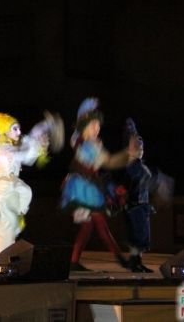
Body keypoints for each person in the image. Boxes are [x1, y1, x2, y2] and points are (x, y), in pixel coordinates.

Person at [0, 108, 63, 255]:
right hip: (1, 191)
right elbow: (23, 155)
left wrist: (46, 127)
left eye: (19, 128)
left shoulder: (15, 145)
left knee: (11, 228)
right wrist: (37, 146)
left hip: (11, 188)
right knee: (7, 227)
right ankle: (2, 262)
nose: (19, 132)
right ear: (6, 131)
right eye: (15, 129)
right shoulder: (4, 147)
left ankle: (5, 261)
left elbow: (30, 149)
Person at [61, 98, 129, 271]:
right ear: (84, 127)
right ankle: (120, 259)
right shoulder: (79, 141)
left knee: (89, 227)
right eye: (92, 125)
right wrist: (86, 108)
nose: (96, 128)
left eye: (98, 126)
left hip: (90, 189)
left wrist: (128, 155)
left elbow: (110, 161)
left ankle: (74, 261)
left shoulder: (97, 145)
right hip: (82, 190)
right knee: (99, 224)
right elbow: (105, 162)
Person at [118, 118, 172, 273]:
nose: (140, 150)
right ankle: (135, 263)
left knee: (141, 236)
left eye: (141, 148)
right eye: (137, 148)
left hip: (141, 205)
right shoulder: (132, 167)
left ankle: (137, 262)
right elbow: (131, 184)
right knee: (137, 235)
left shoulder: (139, 166)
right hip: (135, 205)